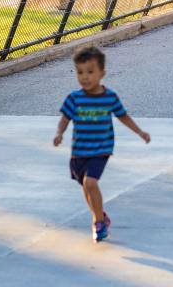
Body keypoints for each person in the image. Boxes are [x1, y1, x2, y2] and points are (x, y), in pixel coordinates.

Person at [53, 46, 150, 242]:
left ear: (102, 73)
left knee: (90, 183)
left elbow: (123, 116)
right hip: (79, 151)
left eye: (90, 72)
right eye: (80, 72)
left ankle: (98, 222)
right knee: (86, 187)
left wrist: (140, 132)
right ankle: (100, 215)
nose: (85, 77)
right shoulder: (74, 98)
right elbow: (65, 119)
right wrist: (59, 133)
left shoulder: (109, 97)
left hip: (101, 149)